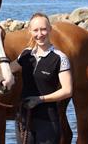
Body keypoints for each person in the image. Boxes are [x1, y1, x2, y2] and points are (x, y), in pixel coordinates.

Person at [10, 12, 73, 144]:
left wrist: (40, 99)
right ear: (30, 32)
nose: (40, 34)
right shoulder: (25, 54)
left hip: (47, 121)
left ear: (50, 29)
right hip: (24, 120)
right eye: (36, 30)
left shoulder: (60, 58)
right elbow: (7, 71)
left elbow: (67, 90)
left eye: (43, 29)